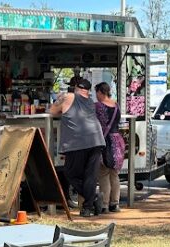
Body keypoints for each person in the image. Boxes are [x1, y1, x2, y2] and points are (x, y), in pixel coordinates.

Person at [50, 79, 105, 217]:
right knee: (90, 176)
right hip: (97, 139)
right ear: (88, 90)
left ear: (75, 87)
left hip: (78, 141)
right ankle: (87, 207)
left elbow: (51, 111)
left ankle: (93, 199)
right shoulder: (90, 102)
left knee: (70, 173)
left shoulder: (67, 96)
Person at [94, 82, 124, 213]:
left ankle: (104, 204)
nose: (96, 95)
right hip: (117, 141)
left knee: (103, 172)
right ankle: (115, 204)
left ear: (101, 92)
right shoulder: (116, 105)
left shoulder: (98, 106)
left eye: (97, 93)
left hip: (104, 141)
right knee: (115, 173)